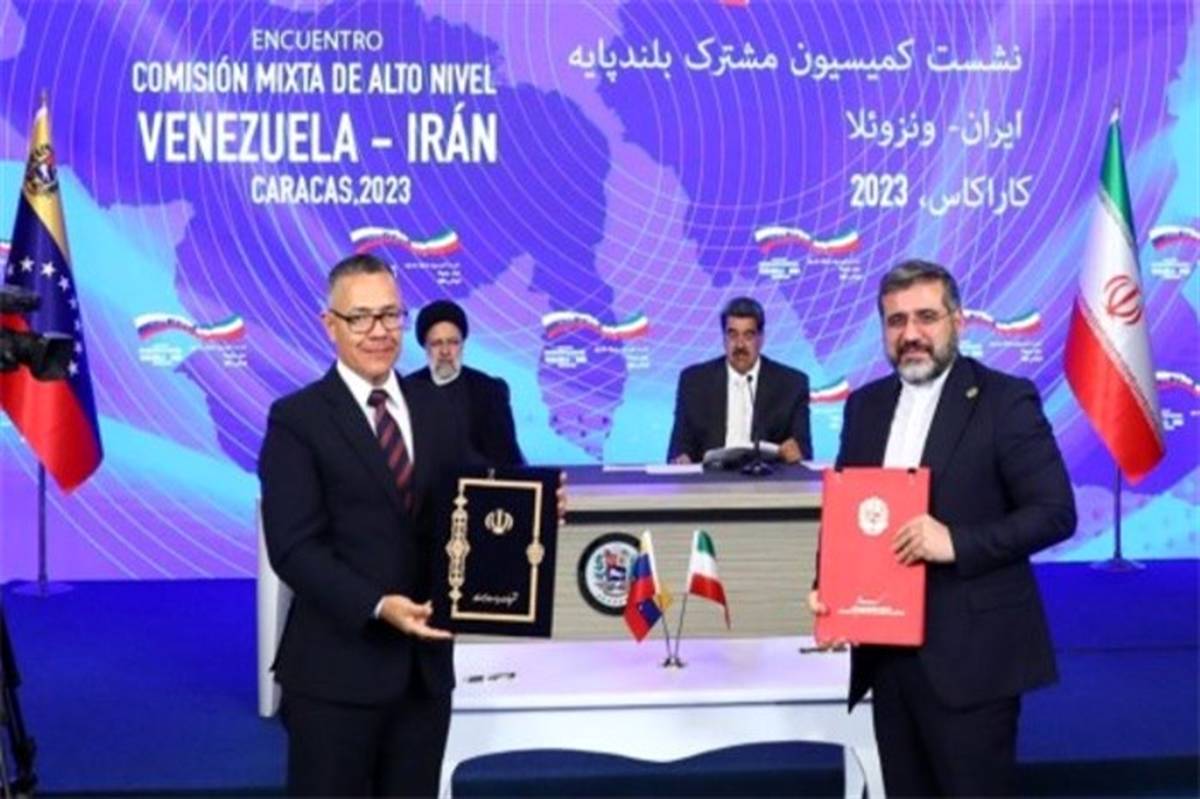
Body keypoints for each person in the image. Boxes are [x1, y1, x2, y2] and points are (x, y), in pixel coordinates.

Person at [258, 254, 564, 796]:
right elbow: (294, 548)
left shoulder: (438, 406)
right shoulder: (297, 419)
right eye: (360, 318)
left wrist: (535, 511)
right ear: (330, 324)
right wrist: (379, 605)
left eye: (390, 315)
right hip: (335, 675)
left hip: (423, 677)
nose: (378, 331)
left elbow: (475, 500)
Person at [810, 259, 1076, 796]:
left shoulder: (1005, 400)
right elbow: (848, 512)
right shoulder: (865, 406)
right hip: (887, 660)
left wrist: (955, 542)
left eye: (926, 317)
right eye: (896, 320)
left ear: (957, 321)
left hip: (974, 661)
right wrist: (829, 588)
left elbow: (1054, 512)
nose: (910, 333)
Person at [667, 296, 812, 464]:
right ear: (723, 337)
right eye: (732, 335)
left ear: (761, 338)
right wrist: (682, 459)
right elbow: (679, 447)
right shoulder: (694, 382)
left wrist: (796, 453)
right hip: (710, 478)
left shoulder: (791, 385)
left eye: (748, 335)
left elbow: (804, 452)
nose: (740, 345)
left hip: (768, 478)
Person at [407, 299, 525, 466]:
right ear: (425, 347)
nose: (445, 351)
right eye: (437, 343)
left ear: (463, 345)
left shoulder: (489, 392)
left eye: (453, 342)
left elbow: (508, 461)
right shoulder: (407, 391)